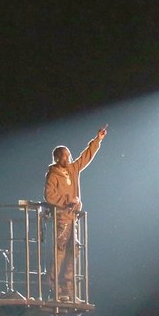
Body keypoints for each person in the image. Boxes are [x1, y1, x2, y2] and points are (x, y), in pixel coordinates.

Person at [44, 124, 107, 302]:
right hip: (62, 218)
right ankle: (52, 287)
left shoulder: (72, 169)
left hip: (73, 218)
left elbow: (85, 157)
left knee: (74, 250)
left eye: (68, 154)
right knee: (60, 251)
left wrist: (98, 140)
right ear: (57, 158)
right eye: (64, 155)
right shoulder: (53, 174)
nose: (68, 157)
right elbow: (49, 195)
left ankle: (68, 290)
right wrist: (67, 202)